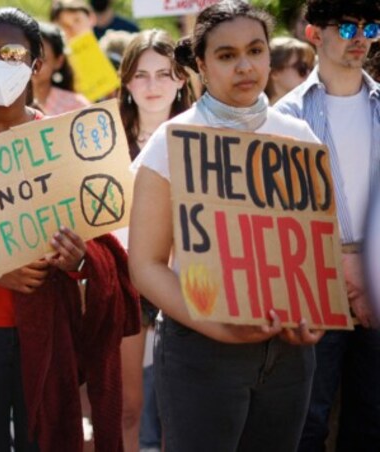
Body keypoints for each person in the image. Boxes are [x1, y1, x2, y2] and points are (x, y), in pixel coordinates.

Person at [0, 7, 139, 451]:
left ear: (38, 63)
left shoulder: (60, 139)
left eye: (13, 53)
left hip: (48, 330)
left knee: (46, 440)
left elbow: (98, 244)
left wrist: (78, 260)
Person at [128, 2, 324, 451]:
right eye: (226, 54)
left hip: (290, 354)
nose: (244, 66)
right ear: (200, 64)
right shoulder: (170, 142)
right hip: (201, 351)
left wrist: (313, 318)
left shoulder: (300, 139)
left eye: (255, 50)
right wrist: (215, 326)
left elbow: (314, 251)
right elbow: (146, 264)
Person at [273, 1, 380, 450]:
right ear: (314, 33)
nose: (361, 36)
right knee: (307, 421)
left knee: (372, 422)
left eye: (371, 25)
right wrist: (341, 264)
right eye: (348, 26)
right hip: (311, 281)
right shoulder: (284, 116)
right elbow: (276, 211)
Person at [116, 29, 193, 452]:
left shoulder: (200, 135)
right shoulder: (103, 140)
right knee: (129, 405)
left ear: (181, 79)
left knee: (178, 408)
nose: (152, 85)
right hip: (127, 282)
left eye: (164, 74)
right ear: (126, 81)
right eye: (141, 75)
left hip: (186, 279)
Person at [32, 22, 90, 116]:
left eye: (42, 61)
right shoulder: (5, 103)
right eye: (28, 58)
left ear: (58, 61)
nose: (33, 66)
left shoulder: (76, 106)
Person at [265, 37, 315, 104]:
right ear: (274, 73)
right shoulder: (255, 112)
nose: (310, 75)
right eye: (302, 68)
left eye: (312, 69)